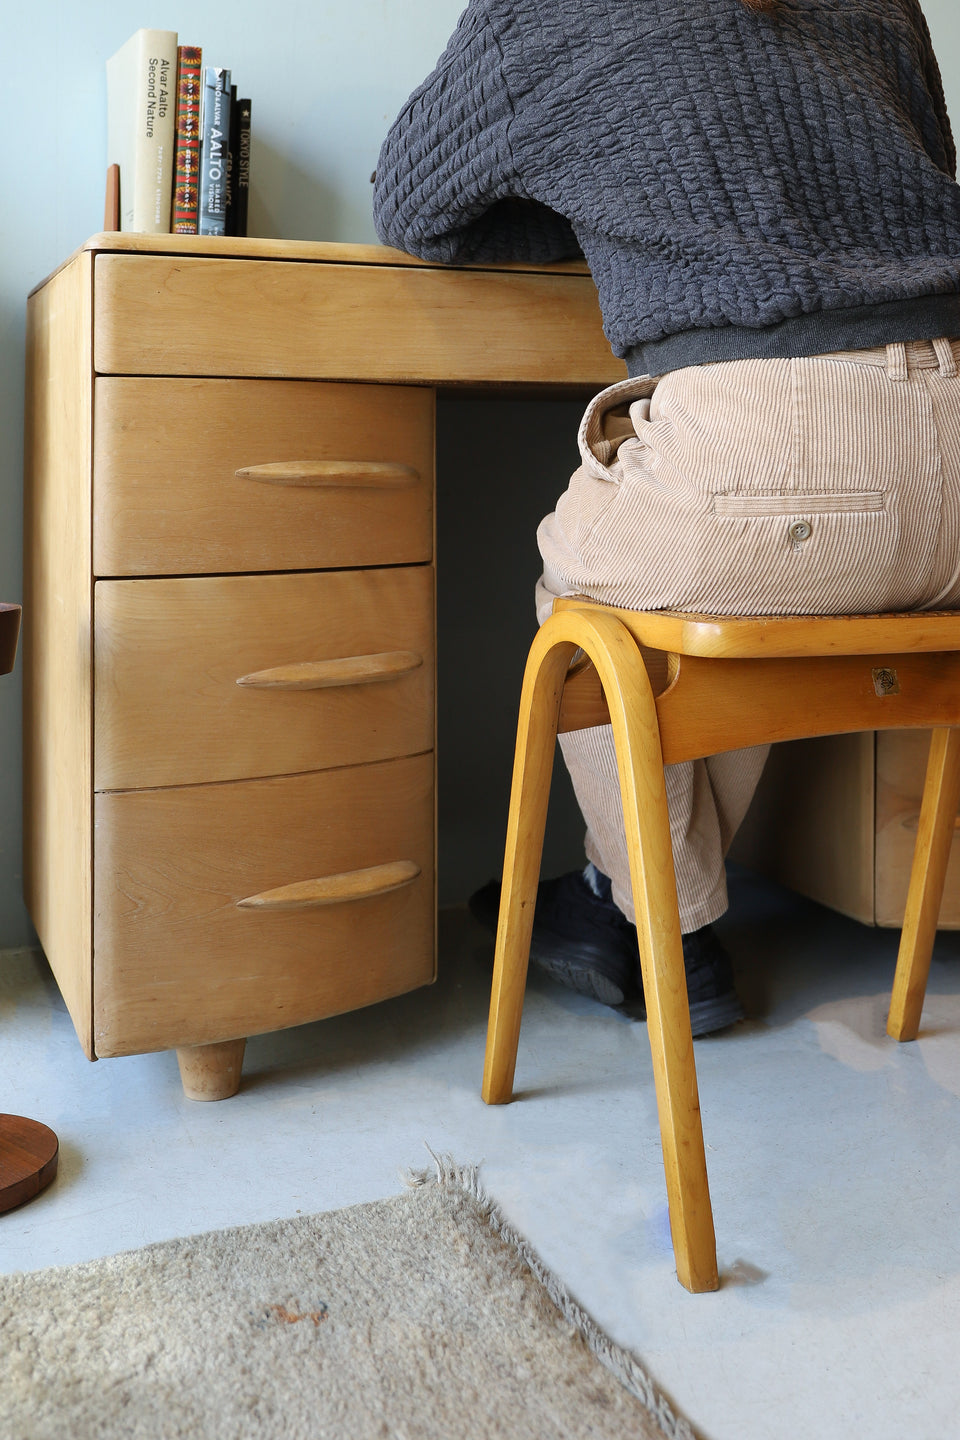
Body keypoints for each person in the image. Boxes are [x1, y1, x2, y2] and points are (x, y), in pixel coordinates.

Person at [373, 0, 960, 1034]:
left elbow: (413, 210)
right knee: (741, 574)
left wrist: (605, 205)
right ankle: (612, 897)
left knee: (591, 590)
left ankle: (664, 931)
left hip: (785, 437)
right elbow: (914, 181)